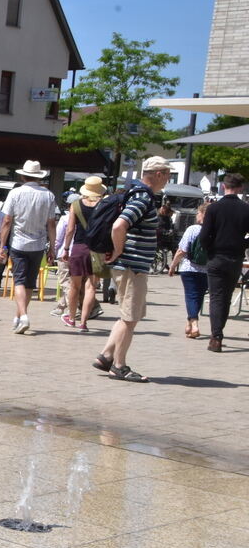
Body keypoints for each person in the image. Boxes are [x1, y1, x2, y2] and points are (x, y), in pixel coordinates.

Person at [92, 156, 167, 381]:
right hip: (132, 266)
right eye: (167, 174)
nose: (168, 179)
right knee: (130, 318)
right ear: (159, 174)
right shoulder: (143, 198)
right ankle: (119, 365)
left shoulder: (138, 194)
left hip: (131, 265)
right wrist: (118, 250)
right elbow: (119, 225)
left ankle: (106, 356)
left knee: (127, 315)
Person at [0, 159, 57, 334]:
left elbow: (7, 221)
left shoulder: (15, 193)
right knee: (30, 283)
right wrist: (52, 248)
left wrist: (2, 245)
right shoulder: (48, 195)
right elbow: (51, 223)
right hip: (38, 243)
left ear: (23, 176)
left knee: (19, 281)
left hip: (19, 243)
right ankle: (19, 318)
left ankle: (23, 316)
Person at [199, 172, 249, 352]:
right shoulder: (246, 209)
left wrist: (209, 248)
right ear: (240, 188)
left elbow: (203, 236)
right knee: (226, 297)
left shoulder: (214, 208)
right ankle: (219, 332)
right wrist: (242, 244)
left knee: (216, 297)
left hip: (216, 256)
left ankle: (216, 336)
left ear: (223, 186)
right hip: (235, 258)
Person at [60, 175, 106, 331]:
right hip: (97, 249)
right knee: (91, 287)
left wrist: (66, 249)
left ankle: (72, 318)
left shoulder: (76, 205)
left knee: (74, 286)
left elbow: (70, 230)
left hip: (79, 248)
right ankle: (84, 322)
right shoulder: (104, 205)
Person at [169, 200, 212, 340]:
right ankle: (189, 324)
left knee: (191, 296)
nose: (196, 215)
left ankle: (194, 324)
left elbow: (181, 251)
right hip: (206, 270)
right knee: (198, 297)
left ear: (203, 214)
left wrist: (173, 266)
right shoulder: (214, 231)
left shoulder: (193, 229)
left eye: (198, 212)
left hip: (189, 268)